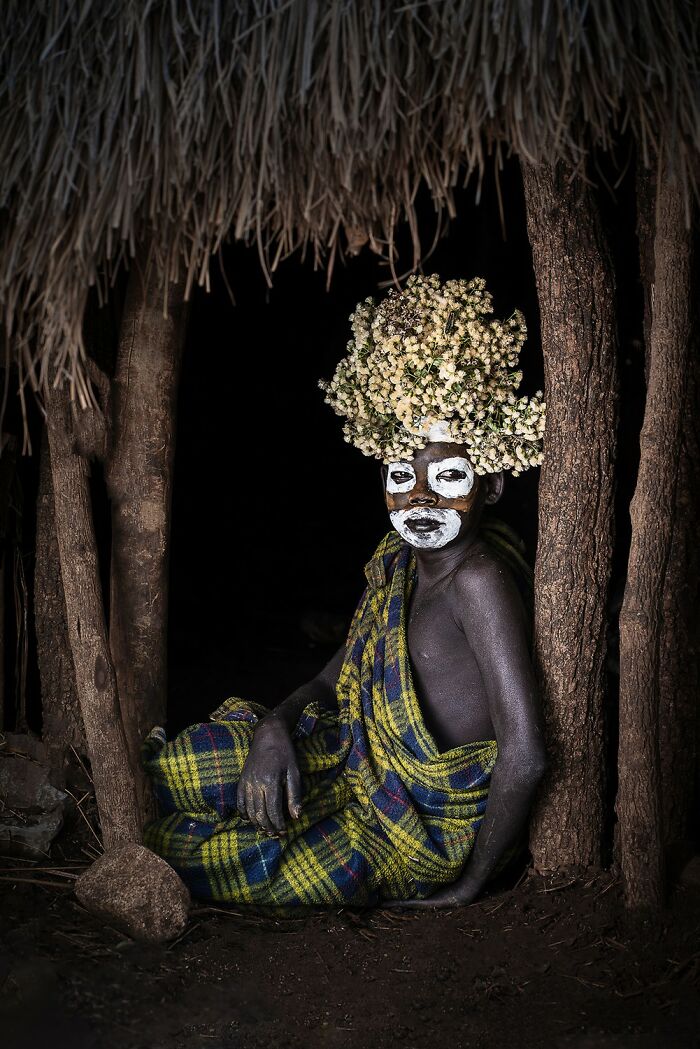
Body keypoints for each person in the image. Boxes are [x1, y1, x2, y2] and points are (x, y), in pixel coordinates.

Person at [143, 274, 547, 907]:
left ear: (490, 486)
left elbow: (525, 753)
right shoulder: (399, 561)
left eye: (445, 477)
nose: (419, 497)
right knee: (181, 767)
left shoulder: (480, 581)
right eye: (400, 475)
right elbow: (337, 678)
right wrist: (275, 726)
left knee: (213, 857)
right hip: (350, 756)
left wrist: (471, 883)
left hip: (414, 828)